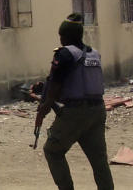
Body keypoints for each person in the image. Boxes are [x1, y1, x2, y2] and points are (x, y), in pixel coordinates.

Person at [36, 13, 114, 190]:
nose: (61, 39)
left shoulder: (64, 54)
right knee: (99, 161)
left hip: (75, 113)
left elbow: (55, 84)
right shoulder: (94, 54)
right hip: (97, 111)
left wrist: (45, 107)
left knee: (52, 151)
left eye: (62, 35)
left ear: (68, 36)